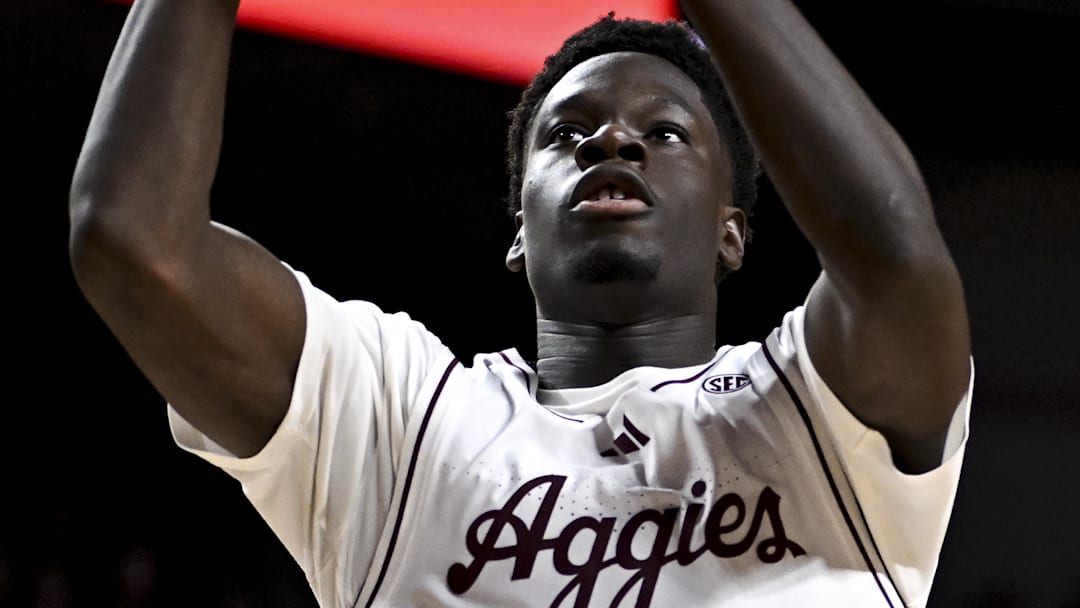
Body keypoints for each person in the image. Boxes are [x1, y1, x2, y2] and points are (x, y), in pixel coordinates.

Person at [68, 0, 973, 606]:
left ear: (732, 234)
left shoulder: (816, 413)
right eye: (566, 135)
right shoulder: (400, 421)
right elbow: (134, 242)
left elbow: (899, 261)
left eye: (664, 131)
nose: (611, 138)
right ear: (517, 232)